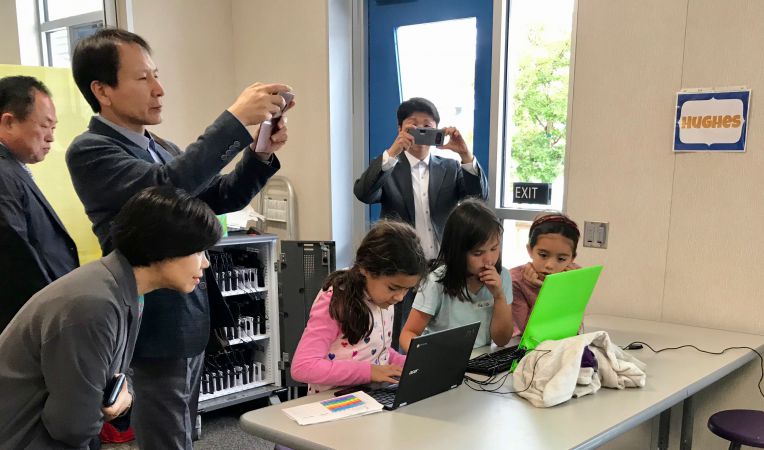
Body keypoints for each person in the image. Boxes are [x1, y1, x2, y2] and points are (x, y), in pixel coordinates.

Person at [66, 28, 293, 449]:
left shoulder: (161, 147)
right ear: (103, 90)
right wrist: (234, 121)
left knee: (183, 428)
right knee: (166, 433)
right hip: (152, 318)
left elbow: (219, 197)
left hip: (189, 309)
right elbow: (165, 188)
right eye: (143, 79)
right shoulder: (91, 151)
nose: (159, 89)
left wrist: (258, 154)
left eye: (157, 75)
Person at [0, 186, 222, 449]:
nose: (205, 263)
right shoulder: (93, 305)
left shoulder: (123, 288)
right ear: (163, 246)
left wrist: (120, 396)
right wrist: (118, 403)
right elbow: (73, 426)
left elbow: (113, 373)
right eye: (198, 251)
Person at [353, 97, 489, 347]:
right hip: (400, 265)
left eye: (427, 125)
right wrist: (393, 151)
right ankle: (396, 379)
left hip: (442, 264)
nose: (420, 130)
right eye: (412, 125)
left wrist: (465, 154)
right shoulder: (389, 167)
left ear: (437, 129)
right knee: (398, 332)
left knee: (442, 328)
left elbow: (478, 198)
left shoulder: (449, 167)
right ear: (400, 130)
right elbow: (364, 193)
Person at [290, 221, 427, 394]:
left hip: (370, 395)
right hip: (333, 404)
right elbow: (303, 367)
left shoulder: (382, 298)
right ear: (366, 269)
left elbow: (375, 350)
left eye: (407, 289)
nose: (400, 297)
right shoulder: (336, 300)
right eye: (393, 288)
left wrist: (408, 363)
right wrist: (369, 372)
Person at [0, 76, 79, 331]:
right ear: (8, 122)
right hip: (28, 322)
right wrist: (55, 314)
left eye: (53, 129)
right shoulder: (3, 172)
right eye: (45, 126)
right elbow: (16, 254)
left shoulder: (12, 168)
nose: (51, 138)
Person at [400, 199, 513, 352]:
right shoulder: (436, 282)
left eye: (494, 249)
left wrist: (499, 296)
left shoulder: (502, 276)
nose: (489, 260)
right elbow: (408, 334)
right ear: (457, 251)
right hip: (445, 361)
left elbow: (502, 340)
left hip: (481, 360)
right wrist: (429, 358)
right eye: (478, 253)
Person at [511, 213, 581, 336]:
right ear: (530, 250)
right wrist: (544, 291)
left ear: (572, 259)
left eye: (561, 259)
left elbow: (575, 328)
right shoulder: (515, 280)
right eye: (543, 255)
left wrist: (568, 287)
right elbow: (528, 332)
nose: (550, 265)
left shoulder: (575, 276)